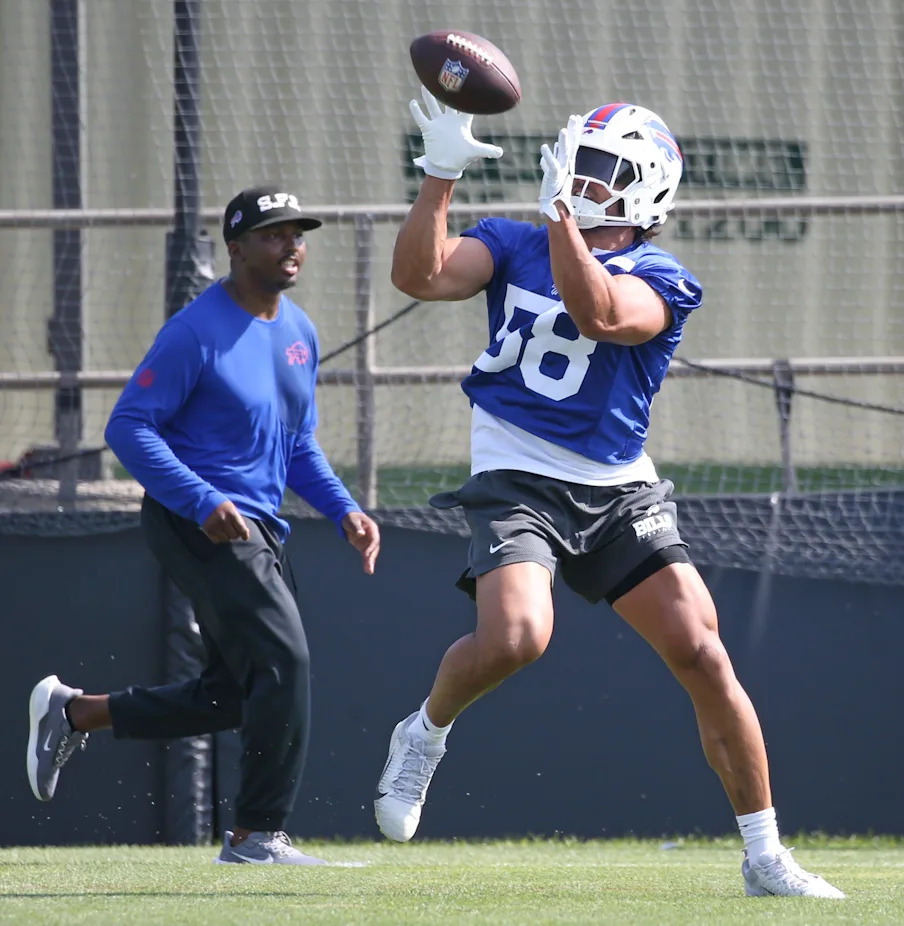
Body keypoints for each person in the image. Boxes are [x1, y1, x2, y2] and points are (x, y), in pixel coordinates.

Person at [373, 91, 845, 899]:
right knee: (516, 637)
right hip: (517, 473)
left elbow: (597, 313)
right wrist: (439, 173)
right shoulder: (515, 242)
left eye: (599, 169)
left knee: (701, 651)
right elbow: (419, 275)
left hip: (615, 487)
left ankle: (765, 856)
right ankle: (424, 732)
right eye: (575, 163)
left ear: (646, 185)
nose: (579, 179)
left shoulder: (663, 275)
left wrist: (560, 216)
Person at [26, 186, 381, 866]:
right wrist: (199, 500)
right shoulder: (195, 330)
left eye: (298, 233)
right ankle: (255, 836)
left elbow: (296, 444)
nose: (291, 244)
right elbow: (128, 427)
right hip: (199, 524)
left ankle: (75, 713)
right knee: (287, 664)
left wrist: (344, 509)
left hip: (257, 529)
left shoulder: (299, 332)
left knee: (234, 693)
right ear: (237, 246)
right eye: (274, 233)